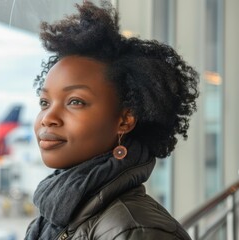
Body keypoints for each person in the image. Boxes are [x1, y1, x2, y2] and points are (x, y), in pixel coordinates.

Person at [25, 1, 199, 239]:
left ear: (125, 120)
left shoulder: (134, 229)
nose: (48, 118)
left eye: (75, 101)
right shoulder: (57, 213)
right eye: (45, 103)